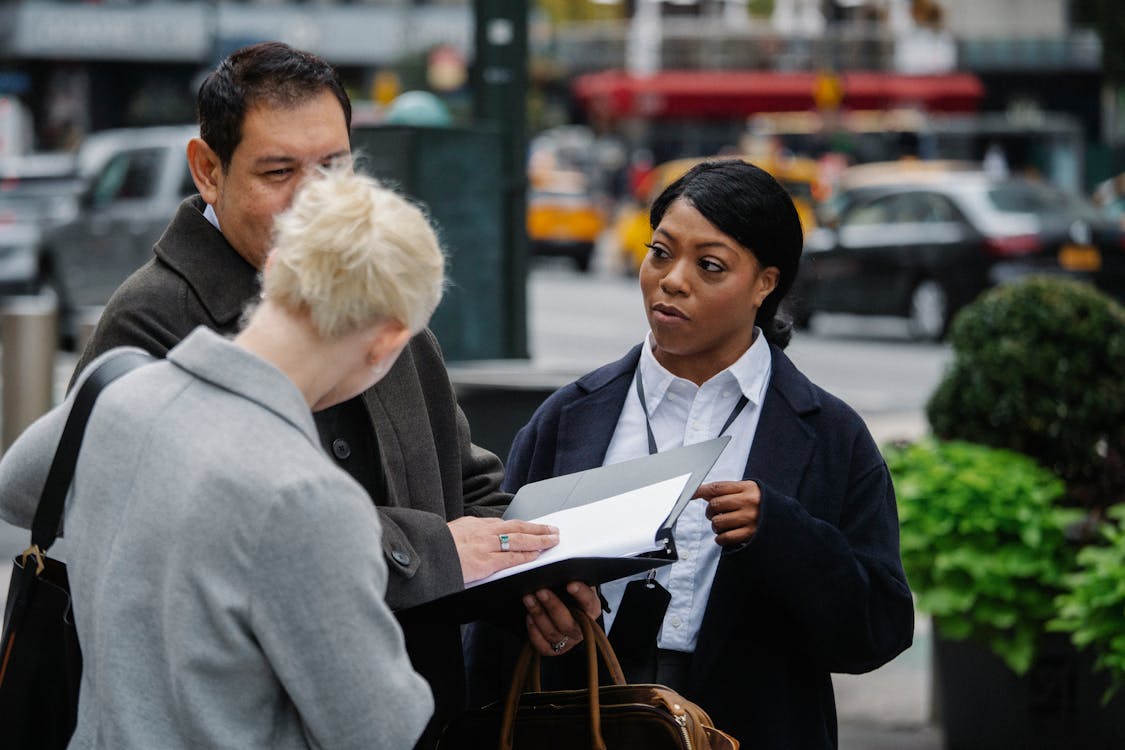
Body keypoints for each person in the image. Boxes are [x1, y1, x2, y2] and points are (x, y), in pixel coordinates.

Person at [70, 41, 599, 748]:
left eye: (334, 167)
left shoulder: (373, 292)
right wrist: (435, 549)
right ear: (207, 170)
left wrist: (529, 579)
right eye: (279, 171)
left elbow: (462, 484)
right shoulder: (150, 318)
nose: (314, 199)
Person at [0, 170, 445, 748]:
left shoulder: (114, 395)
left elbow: (15, 487)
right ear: (388, 338)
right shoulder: (308, 497)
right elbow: (380, 729)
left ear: (280, 262)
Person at [498, 159, 915, 748]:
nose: (672, 279)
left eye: (709, 265)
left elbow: (880, 630)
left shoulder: (830, 436)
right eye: (661, 252)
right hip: (584, 722)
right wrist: (538, 613)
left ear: (766, 284)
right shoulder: (568, 418)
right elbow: (496, 600)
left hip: (757, 727)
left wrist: (783, 536)